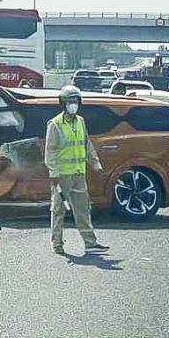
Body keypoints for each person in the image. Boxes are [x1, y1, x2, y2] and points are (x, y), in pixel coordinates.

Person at [44, 85, 109, 255]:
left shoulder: (80, 121)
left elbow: (86, 144)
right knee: (58, 210)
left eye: (75, 101)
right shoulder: (55, 124)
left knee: (83, 209)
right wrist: (54, 174)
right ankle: (57, 244)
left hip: (79, 174)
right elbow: (50, 151)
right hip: (62, 176)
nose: (73, 104)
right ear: (63, 104)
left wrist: (95, 164)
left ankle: (90, 243)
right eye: (70, 101)